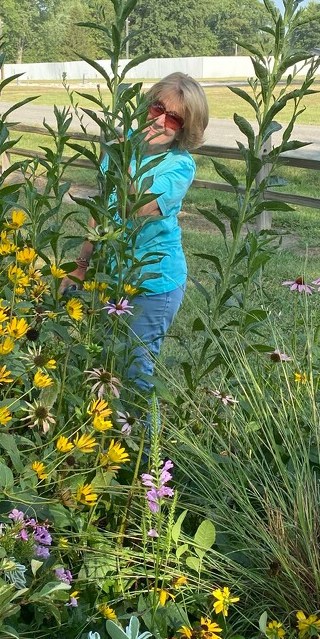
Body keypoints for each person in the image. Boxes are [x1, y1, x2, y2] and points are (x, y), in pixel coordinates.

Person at [61, 72, 209, 396]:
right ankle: (107, 441)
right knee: (102, 367)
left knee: (134, 376)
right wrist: (81, 266)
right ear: (146, 106)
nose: (161, 122)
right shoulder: (122, 143)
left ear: (185, 129)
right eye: (158, 109)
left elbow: (134, 207)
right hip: (112, 276)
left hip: (154, 284)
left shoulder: (179, 166)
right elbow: (101, 208)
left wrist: (124, 156)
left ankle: (147, 445)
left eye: (175, 119)